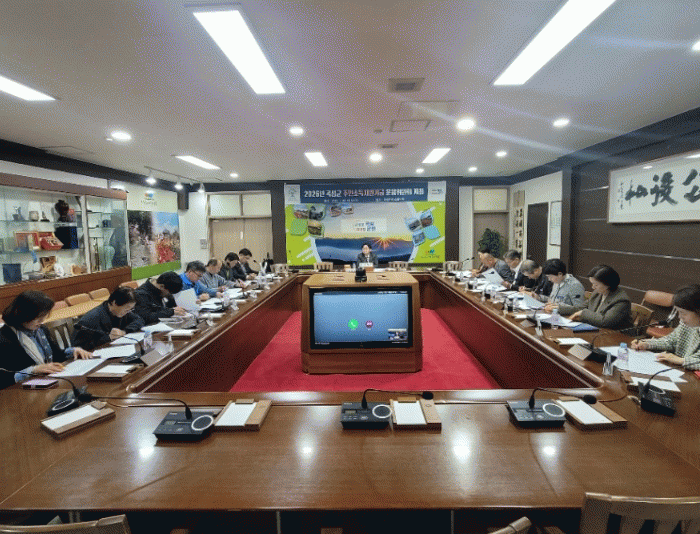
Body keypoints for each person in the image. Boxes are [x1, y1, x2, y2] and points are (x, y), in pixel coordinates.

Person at [0, 291, 92, 389]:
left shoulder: (40, 330)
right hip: (19, 391)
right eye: (38, 317)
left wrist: (73, 351)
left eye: (43, 316)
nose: (42, 321)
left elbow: (56, 356)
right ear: (23, 314)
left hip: (48, 383)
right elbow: (3, 378)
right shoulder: (4, 338)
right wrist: (33, 370)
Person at [631, 284, 700, 370]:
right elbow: (670, 341)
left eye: (683, 313)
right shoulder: (686, 324)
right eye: (678, 312)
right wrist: (647, 344)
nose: (679, 317)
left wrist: (681, 361)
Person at [71, 287, 145, 350]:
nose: (128, 311)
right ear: (114, 303)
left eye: (131, 309)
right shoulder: (91, 319)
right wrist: (108, 338)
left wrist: (124, 331)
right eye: (127, 308)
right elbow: (78, 348)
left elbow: (139, 320)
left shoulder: (123, 311)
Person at [567, 265, 633, 329]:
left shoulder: (621, 300)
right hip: (595, 329)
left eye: (596, 285)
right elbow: (580, 308)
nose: (593, 287)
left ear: (607, 284)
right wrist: (561, 308)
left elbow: (605, 321)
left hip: (615, 333)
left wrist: (583, 313)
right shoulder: (597, 293)